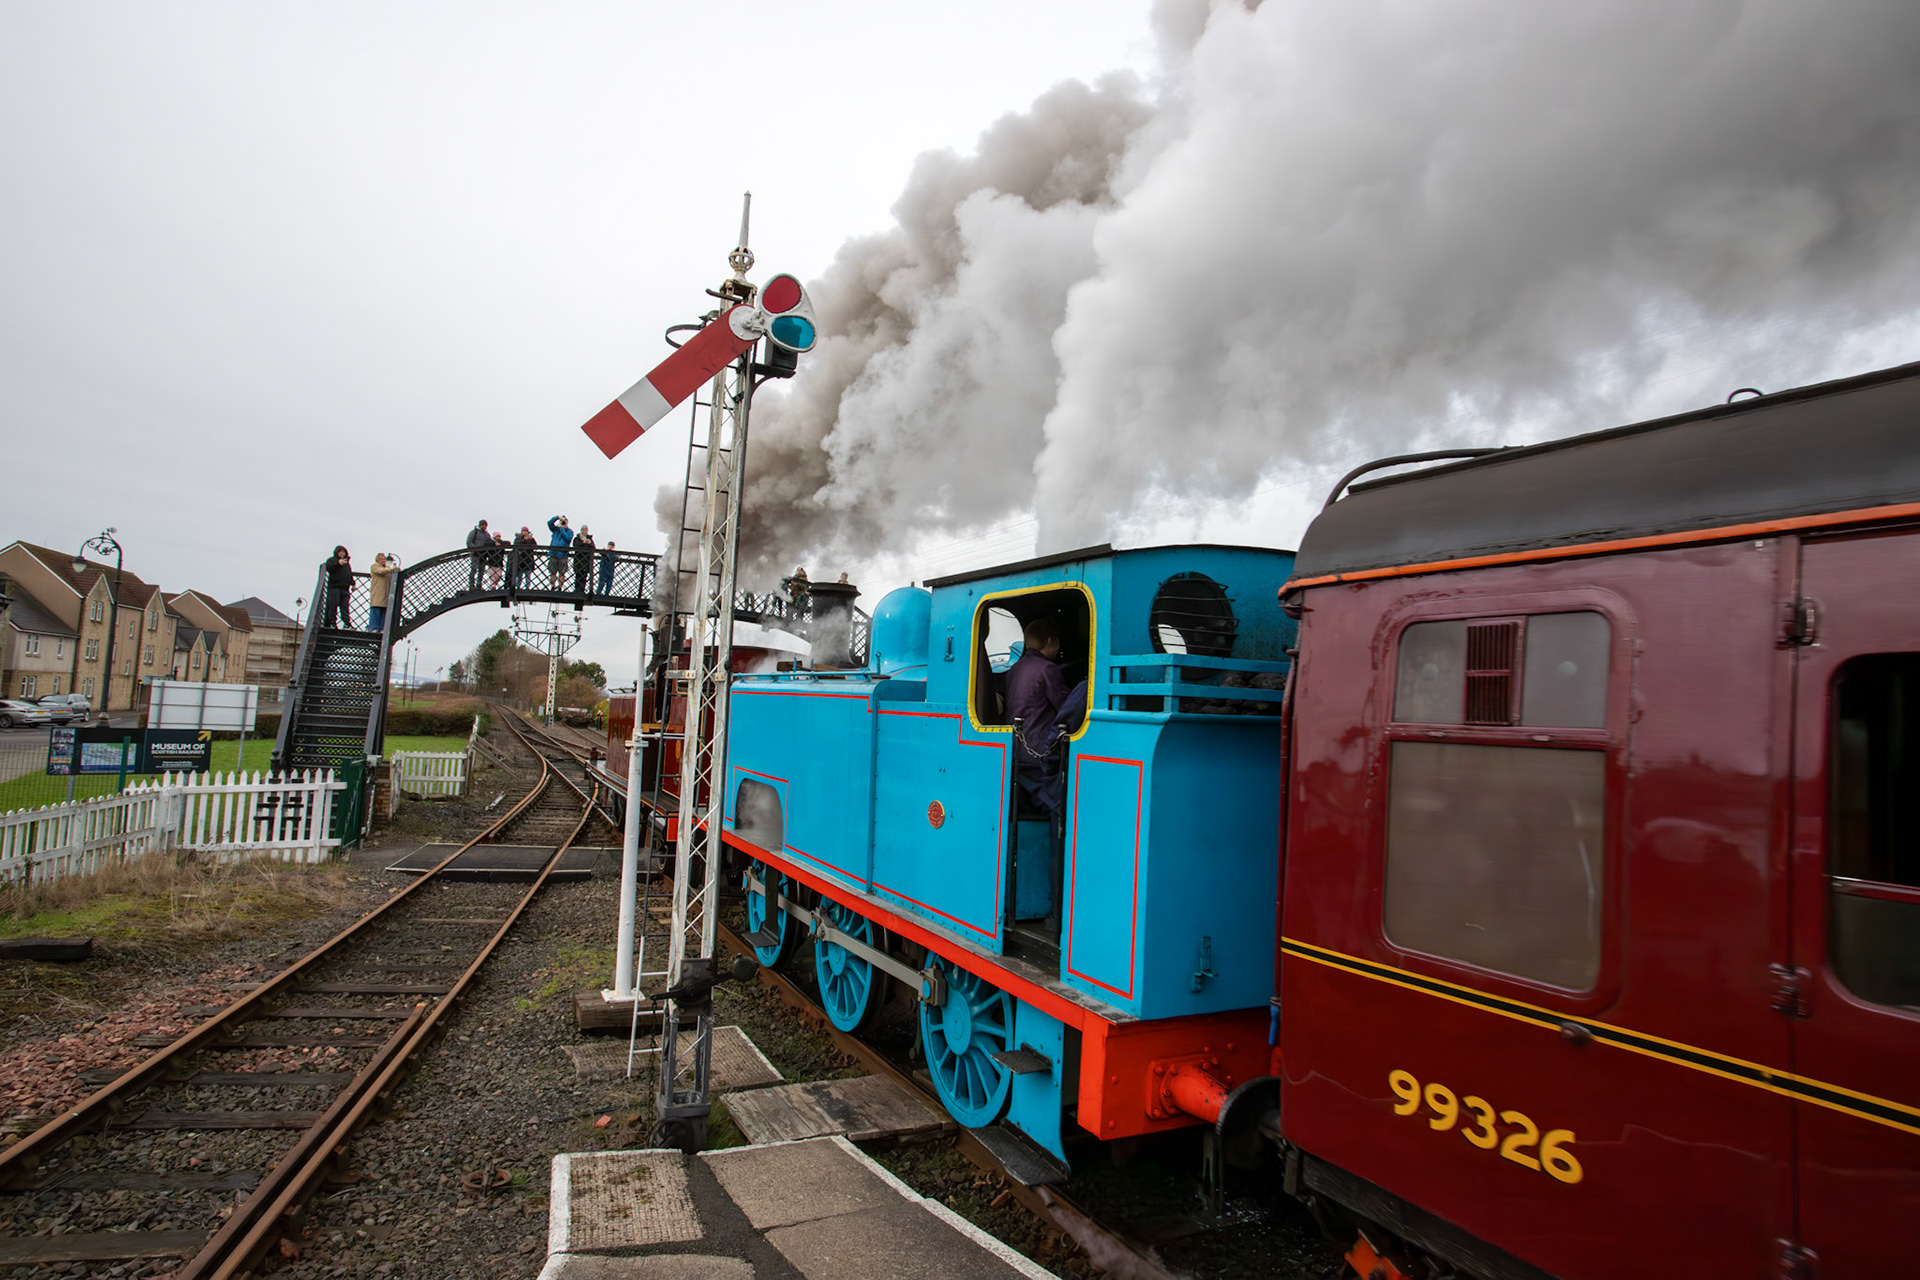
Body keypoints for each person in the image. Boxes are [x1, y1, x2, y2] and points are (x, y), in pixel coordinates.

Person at [1005, 617, 1069, 816]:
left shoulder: (1014, 669)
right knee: (1057, 806)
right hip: (1038, 753)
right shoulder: (1047, 669)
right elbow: (1066, 706)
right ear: (1050, 641)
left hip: (1014, 749)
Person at [322, 546, 353, 629]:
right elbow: (329, 568)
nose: (342, 553)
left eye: (343, 552)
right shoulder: (332, 560)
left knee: (345, 607)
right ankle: (332, 622)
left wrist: (353, 583)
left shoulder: (347, 564)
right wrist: (338, 564)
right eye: (340, 552)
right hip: (334, 587)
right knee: (333, 606)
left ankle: (346, 623)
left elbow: (349, 574)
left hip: (345, 588)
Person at [367, 553, 399, 633]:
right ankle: (373, 628)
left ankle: (382, 628)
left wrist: (396, 571)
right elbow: (380, 571)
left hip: (386, 592)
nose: (383, 560)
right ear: (377, 560)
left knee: (384, 611)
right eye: (381, 559)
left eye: (384, 559)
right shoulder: (374, 566)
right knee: (376, 610)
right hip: (378, 592)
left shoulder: (387, 569)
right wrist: (391, 569)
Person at [547, 515, 573, 587]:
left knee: (562, 573)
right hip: (553, 553)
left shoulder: (569, 531)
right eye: (561, 521)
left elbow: (568, 539)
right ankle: (553, 586)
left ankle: (560, 587)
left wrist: (563, 529)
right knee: (552, 572)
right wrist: (557, 517)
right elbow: (549, 523)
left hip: (563, 555)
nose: (563, 522)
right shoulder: (555, 530)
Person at [465, 519, 491, 590]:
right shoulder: (474, 532)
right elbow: (469, 542)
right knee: (474, 569)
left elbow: (489, 544)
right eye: (482, 525)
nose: (484, 527)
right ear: (479, 525)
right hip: (475, 554)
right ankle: (471, 585)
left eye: (485, 525)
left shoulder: (487, 535)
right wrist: (475, 549)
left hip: (484, 555)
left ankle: (479, 585)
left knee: (481, 571)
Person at [571, 526, 596, 593]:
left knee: (584, 577)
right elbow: (575, 546)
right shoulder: (577, 538)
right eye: (583, 530)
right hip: (578, 560)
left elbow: (594, 548)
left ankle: (582, 590)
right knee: (578, 576)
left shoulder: (590, 539)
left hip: (586, 561)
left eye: (586, 530)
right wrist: (583, 542)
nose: (584, 532)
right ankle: (577, 590)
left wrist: (590, 543)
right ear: (581, 531)